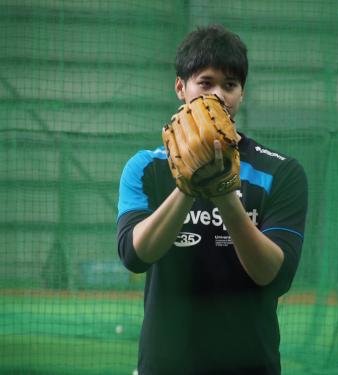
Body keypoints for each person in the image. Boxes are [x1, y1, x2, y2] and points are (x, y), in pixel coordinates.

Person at [117, 24, 308, 375]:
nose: (218, 95)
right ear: (181, 88)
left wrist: (224, 194)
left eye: (230, 85)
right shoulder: (145, 168)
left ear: (241, 94)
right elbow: (134, 255)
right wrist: (187, 186)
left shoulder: (281, 172)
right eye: (206, 83)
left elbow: (275, 277)